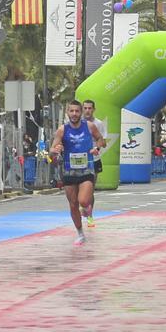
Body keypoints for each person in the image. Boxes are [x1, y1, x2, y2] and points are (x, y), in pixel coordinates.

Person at [50, 101, 104, 245]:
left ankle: (87, 208)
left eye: (77, 111)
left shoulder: (89, 126)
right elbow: (52, 150)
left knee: (84, 200)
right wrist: (55, 151)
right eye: (71, 111)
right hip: (69, 171)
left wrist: (96, 149)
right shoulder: (62, 130)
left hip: (86, 169)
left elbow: (100, 139)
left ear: (81, 113)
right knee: (73, 204)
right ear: (67, 112)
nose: (74, 114)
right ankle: (80, 233)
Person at [81, 100, 107, 227]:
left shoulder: (99, 124)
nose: (87, 110)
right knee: (78, 189)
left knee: (90, 189)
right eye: (85, 108)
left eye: (89, 108)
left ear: (93, 109)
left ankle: (90, 216)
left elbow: (103, 140)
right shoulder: (76, 123)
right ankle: (83, 206)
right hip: (78, 160)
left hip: (94, 160)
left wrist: (97, 148)